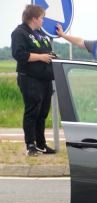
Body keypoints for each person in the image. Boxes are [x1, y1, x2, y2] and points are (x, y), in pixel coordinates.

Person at [11, 4, 56, 156]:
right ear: (34, 18)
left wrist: (52, 57)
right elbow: (19, 54)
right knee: (32, 112)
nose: (43, 21)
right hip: (30, 79)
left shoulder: (41, 35)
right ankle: (30, 145)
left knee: (43, 113)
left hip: (45, 80)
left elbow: (47, 52)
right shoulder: (19, 33)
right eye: (42, 18)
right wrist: (41, 57)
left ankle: (41, 144)